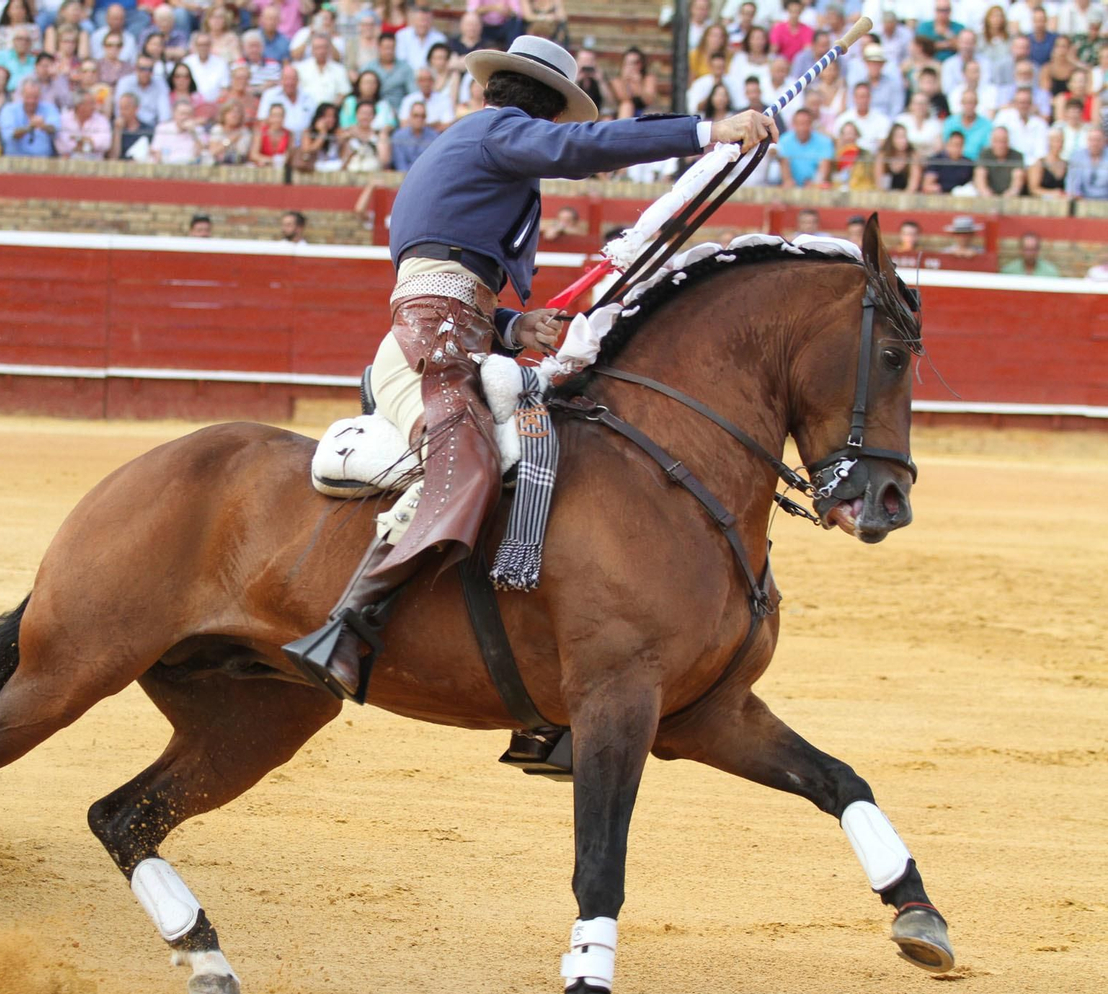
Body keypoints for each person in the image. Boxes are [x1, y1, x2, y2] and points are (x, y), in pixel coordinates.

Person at [281, 34, 776, 703]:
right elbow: (579, 151)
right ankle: (347, 624)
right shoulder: (497, 134)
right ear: (550, 110)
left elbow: (452, 277)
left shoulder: (475, 143)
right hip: (432, 338)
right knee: (467, 461)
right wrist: (707, 131)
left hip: (450, 330)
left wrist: (515, 326)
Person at [0, 73, 58, 154]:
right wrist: (29, 127)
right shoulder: (9, 110)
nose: (31, 101)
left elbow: (55, 129)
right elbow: (9, 135)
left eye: (35, 97)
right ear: (22, 95)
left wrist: (43, 126)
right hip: (15, 159)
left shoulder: (49, 108)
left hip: (44, 159)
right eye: (28, 97)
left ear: (40, 95)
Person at [778, 106, 833, 187]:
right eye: (799, 124)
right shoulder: (784, 140)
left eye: (806, 123)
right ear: (793, 124)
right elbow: (784, 165)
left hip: (815, 187)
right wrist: (789, 182)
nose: (802, 128)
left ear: (811, 124)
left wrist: (815, 184)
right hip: (791, 187)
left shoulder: (825, 142)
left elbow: (824, 168)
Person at [974, 124, 1027, 194]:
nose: (1000, 145)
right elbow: (980, 175)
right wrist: (987, 195)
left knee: (1019, 173)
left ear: (1008, 141)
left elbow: (1018, 179)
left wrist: (1009, 195)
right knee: (980, 172)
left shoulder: (1017, 156)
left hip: (1009, 195)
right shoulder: (984, 154)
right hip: (988, 195)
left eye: (1003, 141)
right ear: (991, 141)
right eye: (996, 141)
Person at [57, 86, 109, 156]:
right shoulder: (63, 119)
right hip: (69, 160)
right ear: (79, 106)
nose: (94, 107)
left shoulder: (101, 120)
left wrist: (81, 143)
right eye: (91, 103)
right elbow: (61, 144)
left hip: (94, 160)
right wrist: (88, 142)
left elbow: (105, 143)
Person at [388, 97, 435, 169]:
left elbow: (432, 164)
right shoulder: (399, 137)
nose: (419, 119)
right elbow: (400, 164)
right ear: (409, 116)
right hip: (403, 175)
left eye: (423, 116)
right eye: (416, 115)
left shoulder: (434, 138)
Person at [1065, 123, 1108, 197]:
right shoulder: (1077, 156)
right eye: (1092, 140)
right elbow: (1072, 182)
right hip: (1082, 199)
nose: (1095, 144)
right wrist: (1075, 195)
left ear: (1104, 141)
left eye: (1098, 140)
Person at [1028, 125, 1071, 195]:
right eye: (1056, 141)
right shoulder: (1039, 163)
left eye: (1061, 141)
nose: (1059, 144)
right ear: (1049, 142)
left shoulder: (1066, 164)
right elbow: (1033, 189)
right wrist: (1052, 193)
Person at [250, 100, 292, 165]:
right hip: (263, 167)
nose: (277, 119)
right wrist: (272, 160)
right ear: (269, 117)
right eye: (274, 116)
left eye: (280, 116)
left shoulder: (289, 134)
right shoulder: (261, 132)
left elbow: (289, 155)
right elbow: (253, 155)